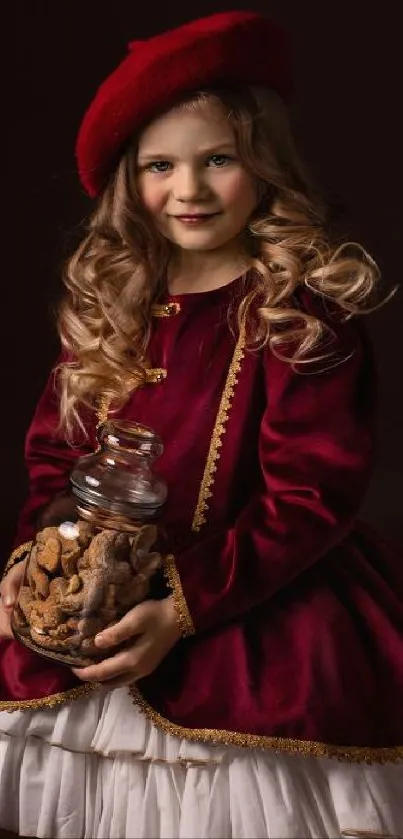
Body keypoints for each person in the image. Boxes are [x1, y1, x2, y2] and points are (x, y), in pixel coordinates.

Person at [0, 9, 402, 839]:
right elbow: (53, 461)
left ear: (263, 165)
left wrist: (180, 609)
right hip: (98, 605)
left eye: (217, 159)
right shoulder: (110, 307)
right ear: (128, 180)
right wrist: (37, 560)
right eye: (159, 165)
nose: (188, 189)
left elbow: (310, 496)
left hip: (260, 602)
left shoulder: (301, 316)